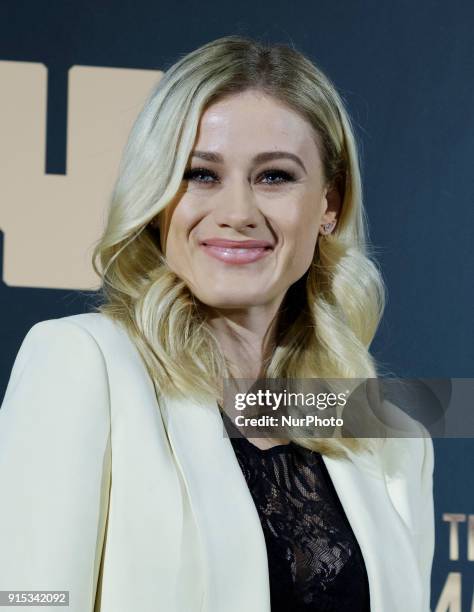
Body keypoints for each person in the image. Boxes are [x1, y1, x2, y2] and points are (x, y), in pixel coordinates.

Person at [0, 35, 434, 612]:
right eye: (202, 175)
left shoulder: (391, 434)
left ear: (329, 204)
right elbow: (29, 599)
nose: (237, 214)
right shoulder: (84, 363)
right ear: (157, 197)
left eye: (274, 176)